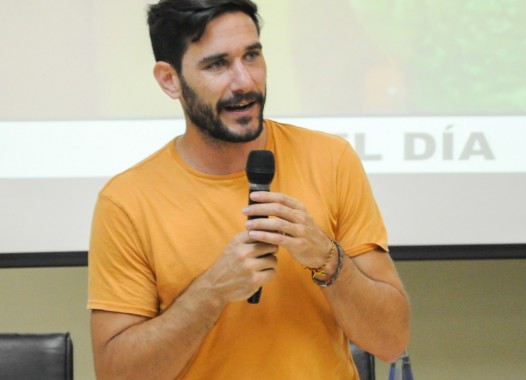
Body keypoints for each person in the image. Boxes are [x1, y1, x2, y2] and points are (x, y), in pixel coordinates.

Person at [87, 0, 410, 379]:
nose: (244, 81)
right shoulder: (127, 201)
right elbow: (116, 374)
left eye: (252, 56)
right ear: (169, 80)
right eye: (217, 64)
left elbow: (391, 340)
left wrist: (326, 257)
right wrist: (211, 292)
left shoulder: (331, 159)